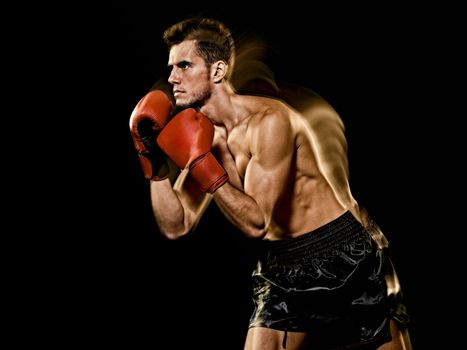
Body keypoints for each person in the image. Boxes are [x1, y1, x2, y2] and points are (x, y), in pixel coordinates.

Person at [129, 17, 412, 350]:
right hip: (282, 264)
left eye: (184, 65)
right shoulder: (203, 136)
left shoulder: (270, 121)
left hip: (343, 251)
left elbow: (256, 222)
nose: (172, 78)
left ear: (218, 71)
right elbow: (176, 225)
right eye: (171, 68)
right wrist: (153, 162)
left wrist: (202, 163)